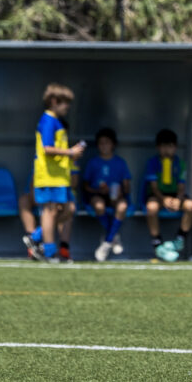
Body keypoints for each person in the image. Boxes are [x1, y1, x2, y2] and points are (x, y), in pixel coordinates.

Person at [31, 83, 84, 262]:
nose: (67, 107)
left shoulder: (56, 122)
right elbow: (47, 149)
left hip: (59, 176)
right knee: (50, 211)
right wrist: (70, 152)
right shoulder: (47, 121)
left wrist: (71, 154)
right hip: (48, 175)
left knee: (70, 208)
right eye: (65, 103)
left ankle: (37, 236)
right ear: (54, 101)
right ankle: (49, 251)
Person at [143, 128, 192, 262]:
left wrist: (178, 199)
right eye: (163, 146)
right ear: (158, 147)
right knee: (152, 207)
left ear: (175, 147)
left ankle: (179, 240)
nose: (166, 150)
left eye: (170, 146)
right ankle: (157, 244)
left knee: (190, 205)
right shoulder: (153, 163)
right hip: (158, 195)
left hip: (175, 195)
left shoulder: (180, 163)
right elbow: (153, 187)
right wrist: (164, 199)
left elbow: (181, 186)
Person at [83, 127, 132, 262]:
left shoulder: (120, 162)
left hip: (116, 197)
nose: (104, 146)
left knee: (122, 206)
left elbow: (127, 187)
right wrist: (98, 190)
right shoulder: (93, 163)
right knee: (98, 205)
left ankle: (107, 242)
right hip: (97, 195)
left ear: (113, 144)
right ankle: (113, 236)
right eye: (101, 143)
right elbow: (85, 186)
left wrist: (121, 190)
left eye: (107, 142)